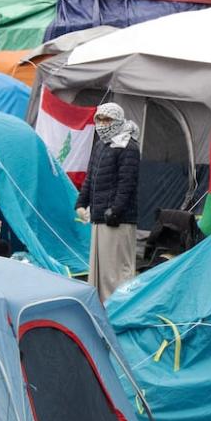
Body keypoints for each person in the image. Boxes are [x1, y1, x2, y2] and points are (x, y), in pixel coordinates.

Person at [76, 102, 139, 302]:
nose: (102, 124)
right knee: (100, 269)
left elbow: (127, 183)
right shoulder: (101, 144)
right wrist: (80, 203)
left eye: (107, 119)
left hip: (117, 219)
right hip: (99, 216)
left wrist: (116, 210)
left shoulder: (128, 146)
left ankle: (119, 308)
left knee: (116, 270)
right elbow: (91, 177)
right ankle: (100, 306)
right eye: (99, 119)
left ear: (118, 121)